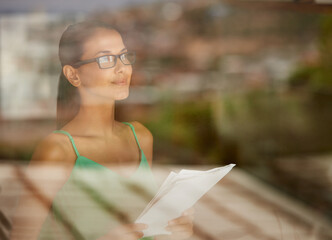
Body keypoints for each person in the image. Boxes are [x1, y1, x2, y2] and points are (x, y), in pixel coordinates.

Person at [10, 21, 193, 240]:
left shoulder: (140, 137)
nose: (122, 67)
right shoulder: (58, 151)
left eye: (124, 56)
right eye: (105, 59)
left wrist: (177, 231)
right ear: (73, 75)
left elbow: (145, 228)